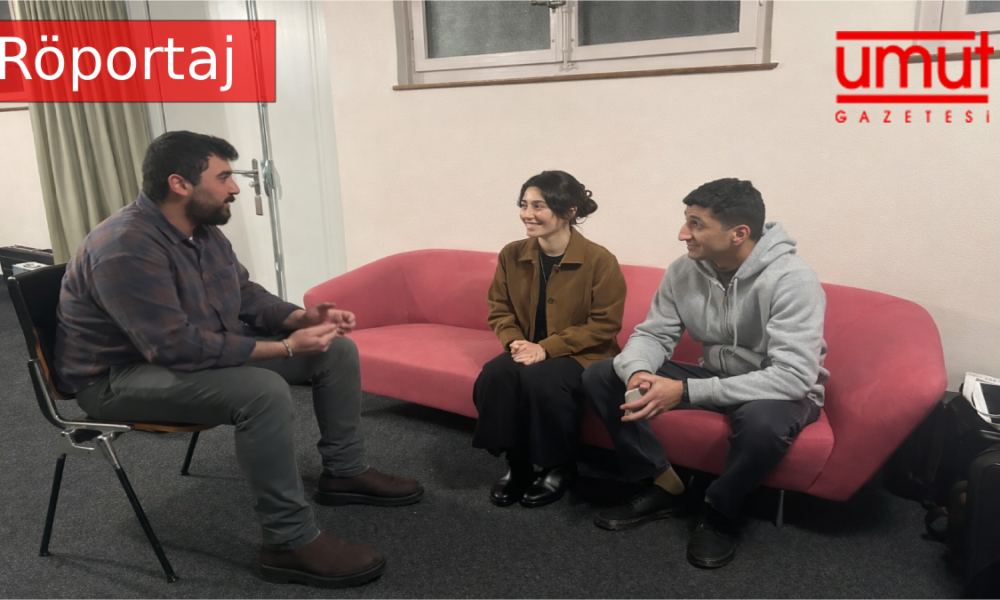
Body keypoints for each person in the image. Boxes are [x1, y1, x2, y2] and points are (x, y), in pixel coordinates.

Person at [54, 131, 423, 589]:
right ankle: (287, 542)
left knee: (336, 349)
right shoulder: (125, 246)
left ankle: (344, 473)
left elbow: (243, 292)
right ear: (179, 184)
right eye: (224, 177)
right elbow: (175, 348)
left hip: (185, 351)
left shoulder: (201, 230)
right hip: (118, 378)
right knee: (261, 393)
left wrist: (299, 318)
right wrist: (286, 347)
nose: (235, 187)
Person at [582, 178, 827, 568]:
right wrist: (638, 372)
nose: (683, 233)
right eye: (686, 220)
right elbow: (654, 334)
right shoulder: (684, 270)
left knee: (762, 424)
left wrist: (684, 392)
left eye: (696, 224)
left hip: (775, 387)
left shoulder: (792, 278)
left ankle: (721, 510)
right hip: (714, 373)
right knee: (602, 374)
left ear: (738, 233)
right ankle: (662, 484)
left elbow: (793, 375)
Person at [473, 170, 627, 508]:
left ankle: (559, 467)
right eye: (524, 204)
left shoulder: (600, 261)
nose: (527, 214)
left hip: (584, 353)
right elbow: (499, 308)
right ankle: (517, 464)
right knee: (495, 374)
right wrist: (514, 342)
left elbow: (605, 324)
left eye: (538, 206)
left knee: (542, 379)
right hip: (528, 346)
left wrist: (546, 348)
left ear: (570, 210)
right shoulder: (512, 254)